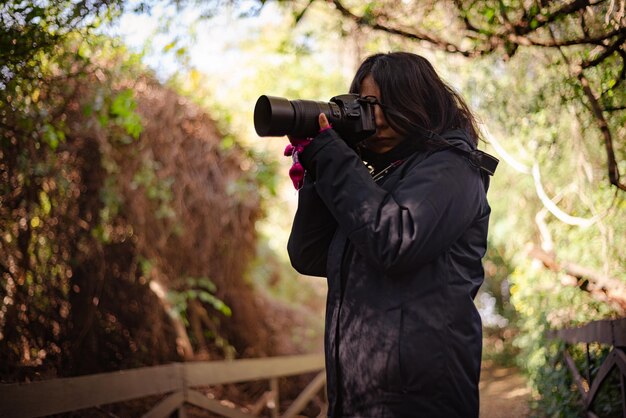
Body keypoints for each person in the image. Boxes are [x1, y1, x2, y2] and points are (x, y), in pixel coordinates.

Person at [287, 52, 492, 417]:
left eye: (388, 104)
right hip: (358, 399)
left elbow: (392, 240)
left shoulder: (454, 167)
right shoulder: (379, 179)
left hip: (421, 401)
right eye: (366, 105)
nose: (376, 117)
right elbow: (311, 254)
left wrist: (334, 158)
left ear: (420, 103)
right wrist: (316, 174)